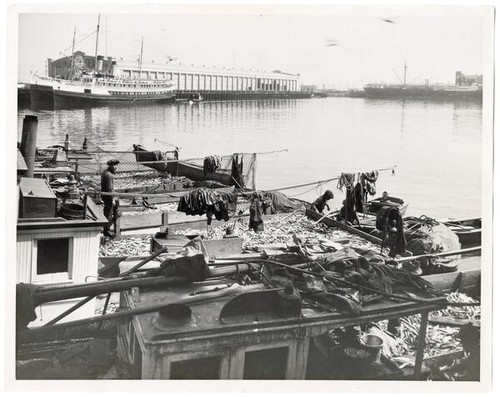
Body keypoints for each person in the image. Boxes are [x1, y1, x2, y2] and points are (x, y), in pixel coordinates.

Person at [101, 159, 120, 237]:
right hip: (108, 196)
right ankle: (107, 230)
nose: (115, 168)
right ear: (110, 166)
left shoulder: (105, 172)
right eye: (114, 166)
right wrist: (112, 199)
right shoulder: (109, 175)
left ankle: (108, 225)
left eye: (116, 166)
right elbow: (109, 189)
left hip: (105, 195)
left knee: (108, 211)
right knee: (108, 213)